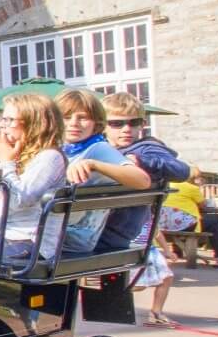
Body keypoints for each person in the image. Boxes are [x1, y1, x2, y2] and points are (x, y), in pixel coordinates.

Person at [94, 94, 193, 325]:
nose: (126, 129)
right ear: (103, 126)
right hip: (97, 224)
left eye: (134, 122)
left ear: (142, 124)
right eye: (117, 123)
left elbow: (181, 170)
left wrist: (140, 161)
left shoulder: (147, 149)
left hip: (113, 232)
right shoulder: (99, 147)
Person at [0, 92, 68, 264]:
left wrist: (6, 162)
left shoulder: (50, 158)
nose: (2, 126)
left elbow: (18, 200)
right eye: (2, 119)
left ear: (35, 124)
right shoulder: (22, 157)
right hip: (5, 237)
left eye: (9, 120)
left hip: (27, 243)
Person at [56, 88, 149, 254]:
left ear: (96, 123)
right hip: (58, 229)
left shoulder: (97, 148)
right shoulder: (61, 149)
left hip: (74, 235)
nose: (73, 123)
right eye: (66, 117)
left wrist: (94, 165)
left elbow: (142, 180)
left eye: (82, 118)